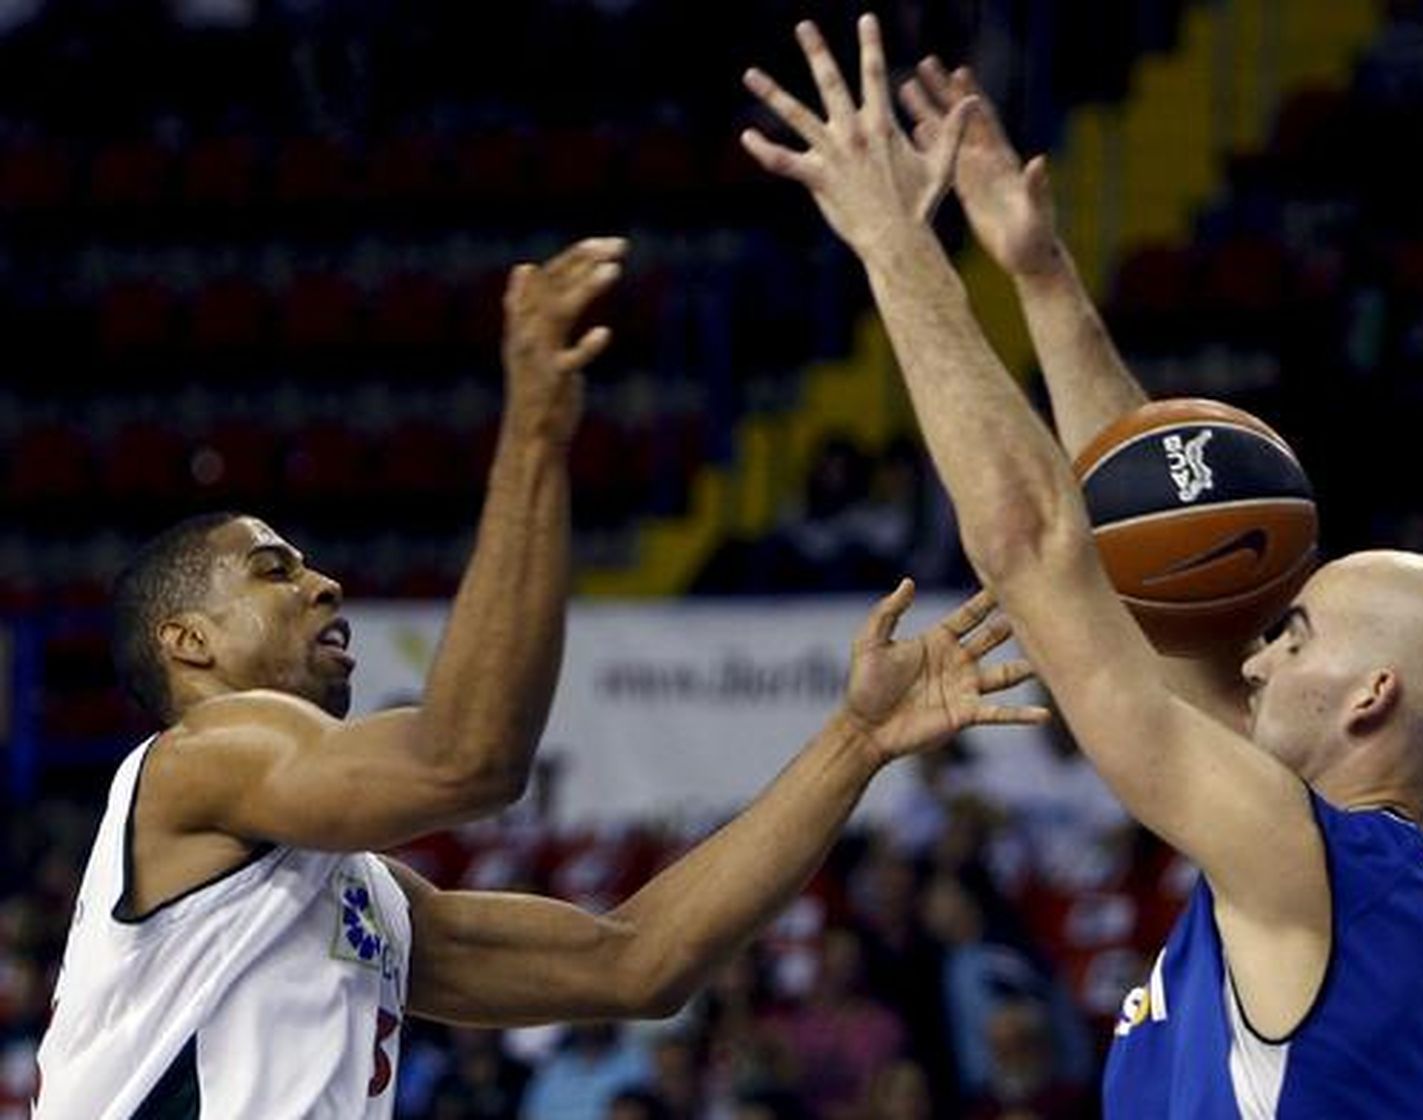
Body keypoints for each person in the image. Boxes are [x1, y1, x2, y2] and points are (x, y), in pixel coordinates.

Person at [33, 235, 1048, 1118]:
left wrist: (855, 740)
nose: (323, 582)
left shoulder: (357, 900)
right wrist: (531, 434)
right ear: (187, 644)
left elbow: (636, 962)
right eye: (272, 568)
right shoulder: (191, 762)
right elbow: (465, 760)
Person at [743, 16, 1423, 1116]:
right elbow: (1166, 568)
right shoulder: (1421, 853)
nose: (1249, 660)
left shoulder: (1309, 864)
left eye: (1288, 635)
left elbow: (1032, 545)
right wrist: (1040, 275)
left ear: (1370, 695)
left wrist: (894, 248)